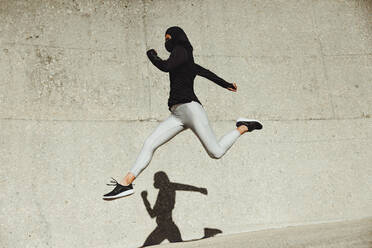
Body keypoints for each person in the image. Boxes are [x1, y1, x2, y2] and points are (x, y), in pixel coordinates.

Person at [103, 26, 262, 200]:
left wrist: (151, 55)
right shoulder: (187, 61)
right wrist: (226, 84)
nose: (166, 42)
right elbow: (207, 73)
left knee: (216, 152)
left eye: (168, 37)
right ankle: (126, 183)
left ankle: (243, 126)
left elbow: (165, 66)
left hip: (191, 109)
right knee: (150, 143)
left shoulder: (181, 50)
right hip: (177, 114)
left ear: (177, 37)